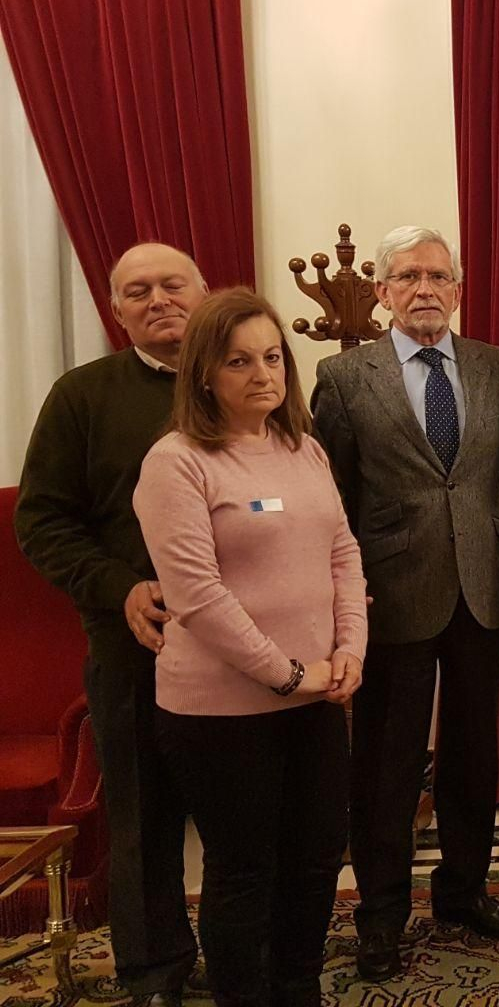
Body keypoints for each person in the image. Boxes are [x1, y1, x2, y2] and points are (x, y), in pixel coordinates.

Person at [131, 289, 367, 1006]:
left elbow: (343, 552)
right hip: (221, 712)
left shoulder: (305, 446)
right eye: (239, 362)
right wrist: (289, 673)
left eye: (272, 358)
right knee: (244, 873)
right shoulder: (177, 462)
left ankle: (298, 988)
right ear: (204, 372)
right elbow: (196, 594)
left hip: (317, 694)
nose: (262, 374)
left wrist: (351, 648)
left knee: (318, 857)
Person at [311, 226, 499, 981]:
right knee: (386, 767)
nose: (424, 288)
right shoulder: (343, 377)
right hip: (389, 593)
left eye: (438, 275)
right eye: (407, 276)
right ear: (382, 293)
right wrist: (339, 598)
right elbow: (329, 497)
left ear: (459, 289)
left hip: (481, 585)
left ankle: (463, 892)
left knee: (474, 756)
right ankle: (380, 917)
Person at [14, 243, 207, 1005]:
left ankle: (242, 951)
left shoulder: (250, 382)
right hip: (136, 646)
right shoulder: (81, 395)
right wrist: (119, 588)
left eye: (172, 285)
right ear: (116, 308)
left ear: (205, 292)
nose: (158, 299)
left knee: (245, 821)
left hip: (247, 650)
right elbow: (43, 522)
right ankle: (154, 970)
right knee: (144, 819)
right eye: (138, 291)